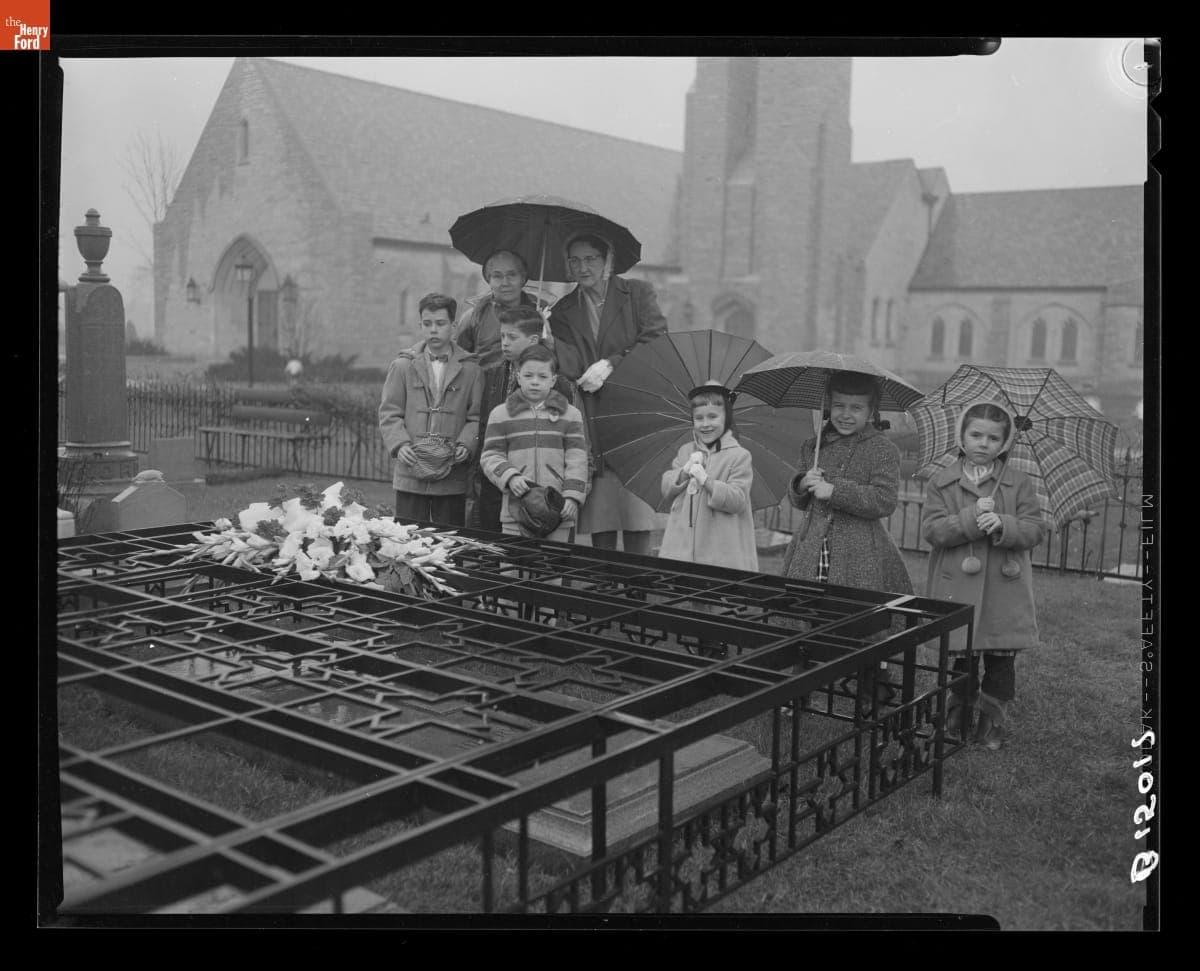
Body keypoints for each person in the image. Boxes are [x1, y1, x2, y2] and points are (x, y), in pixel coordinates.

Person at [921, 400, 1046, 750]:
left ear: (1004, 443)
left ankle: (991, 722)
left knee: (1001, 663)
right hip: (958, 588)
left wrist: (1004, 524)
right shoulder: (942, 483)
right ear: (961, 437)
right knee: (963, 658)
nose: (983, 443)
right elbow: (933, 531)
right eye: (975, 434)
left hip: (1003, 592)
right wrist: (971, 518)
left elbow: (1035, 530)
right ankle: (957, 714)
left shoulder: (1017, 484)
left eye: (993, 438)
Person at [548, 232, 667, 555]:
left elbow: (656, 340)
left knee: (636, 516)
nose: (582, 267)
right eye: (575, 260)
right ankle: (606, 590)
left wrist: (614, 364)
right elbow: (569, 366)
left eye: (590, 259)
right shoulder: (562, 311)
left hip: (633, 418)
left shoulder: (637, 294)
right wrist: (547, 339)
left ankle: (637, 592)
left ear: (607, 260)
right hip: (594, 417)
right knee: (602, 518)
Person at [781, 371, 913, 596]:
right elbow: (800, 501)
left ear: (871, 412)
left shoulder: (882, 449)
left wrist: (835, 491)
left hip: (860, 553)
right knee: (804, 606)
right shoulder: (814, 447)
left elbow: (885, 500)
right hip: (810, 548)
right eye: (839, 405)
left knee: (848, 612)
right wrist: (802, 484)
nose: (845, 414)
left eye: (856, 408)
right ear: (829, 406)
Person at [466, 305, 586, 532]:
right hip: (506, 487)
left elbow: (574, 449)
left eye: (512, 337)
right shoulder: (494, 373)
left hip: (551, 496)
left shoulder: (557, 383)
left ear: (532, 340)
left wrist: (572, 492)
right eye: (502, 336)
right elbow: (490, 434)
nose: (505, 343)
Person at [378, 292, 483, 527]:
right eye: (427, 324)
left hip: (451, 470)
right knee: (409, 537)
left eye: (440, 323)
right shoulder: (403, 366)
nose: (433, 330)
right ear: (420, 325)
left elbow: (476, 416)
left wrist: (467, 443)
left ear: (454, 326)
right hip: (410, 469)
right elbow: (389, 412)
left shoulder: (471, 370)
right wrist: (400, 444)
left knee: (449, 540)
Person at [479, 343, 589, 543]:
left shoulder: (571, 415)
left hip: (558, 510)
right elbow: (490, 455)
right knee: (511, 569)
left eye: (543, 377)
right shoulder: (501, 414)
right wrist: (510, 477)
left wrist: (572, 496)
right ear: (518, 376)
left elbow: (578, 458)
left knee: (551, 569)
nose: (535, 382)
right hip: (516, 510)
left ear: (553, 380)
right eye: (528, 376)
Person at [659, 382, 758, 572]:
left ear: (726, 418)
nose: (705, 424)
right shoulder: (685, 451)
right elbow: (667, 490)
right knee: (692, 592)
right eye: (699, 418)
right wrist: (683, 472)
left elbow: (738, 501)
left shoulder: (739, 456)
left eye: (713, 416)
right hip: (685, 545)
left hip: (721, 549)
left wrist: (707, 481)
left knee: (722, 594)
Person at [455, 249, 542, 371]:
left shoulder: (540, 315)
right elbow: (457, 361)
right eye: (497, 276)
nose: (505, 283)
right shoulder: (473, 317)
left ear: (523, 278)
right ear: (488, 280)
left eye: (512, 275)